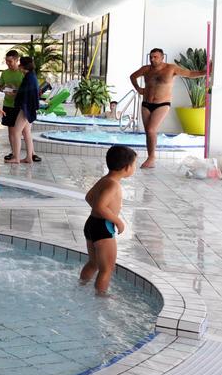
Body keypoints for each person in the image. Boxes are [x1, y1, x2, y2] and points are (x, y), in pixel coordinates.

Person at [130, 48, 207, 169]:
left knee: (151, 130)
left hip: (162, 104)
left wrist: (207, 72)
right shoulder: (146, 69)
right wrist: (138, 89)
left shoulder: (171, 68)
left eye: (155, 57)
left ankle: (151, 157)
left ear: (162, 57)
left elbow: (190, 74)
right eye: (151, 57)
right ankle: (151, 157)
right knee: (149, 132)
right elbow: (132, 76)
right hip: (146, 103)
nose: (152, 59)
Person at [80, 145, 137, 294]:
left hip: (92, 224)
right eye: (134, 164)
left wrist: (100, 212)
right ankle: (101, 297)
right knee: (107, 269)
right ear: (126, 167)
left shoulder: (105, 179)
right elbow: (99, 206)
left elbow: (89, 197)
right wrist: (117, 221)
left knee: (93, 263)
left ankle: (81, 285)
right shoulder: (113, 185)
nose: (134, 168)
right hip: (103, 227)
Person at [10, 56, 40, 164]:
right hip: (29, 107)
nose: (18, 66)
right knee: (27, 132)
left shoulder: (29, 78)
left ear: (22, 66)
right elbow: (27, 92)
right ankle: (29, 157)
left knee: (16, 132)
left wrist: (15, 94)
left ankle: (16, 158)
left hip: (26, 108)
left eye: (20, 64)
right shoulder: (31, 76)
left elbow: (26, 95)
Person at [0, 50, 23, 162]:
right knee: (11, 130)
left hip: (19, 105)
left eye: (10, 61)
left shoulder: (22, 72)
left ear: (17, 60)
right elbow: (0, 87)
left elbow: (26, 90)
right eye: (6, 61)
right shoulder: (5, 73)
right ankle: (14, 152)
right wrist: (4, 88)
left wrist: (16, 92)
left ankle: (29, 154)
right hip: (8, 104)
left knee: (23, 130)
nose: (8, 63)